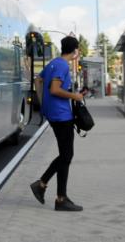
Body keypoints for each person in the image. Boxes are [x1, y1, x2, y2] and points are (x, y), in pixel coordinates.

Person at [30, 36, 86, 211]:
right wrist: (75, 96)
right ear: (75, 50)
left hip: (54, 114)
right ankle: (56, 196)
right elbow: (54, 89)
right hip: (62, 116)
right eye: (78, 49)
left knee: (65, 155)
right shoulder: (62, 65)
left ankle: (48, 189)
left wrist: (43, 103)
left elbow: (38, 81)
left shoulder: (54, 62)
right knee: (66, 156)